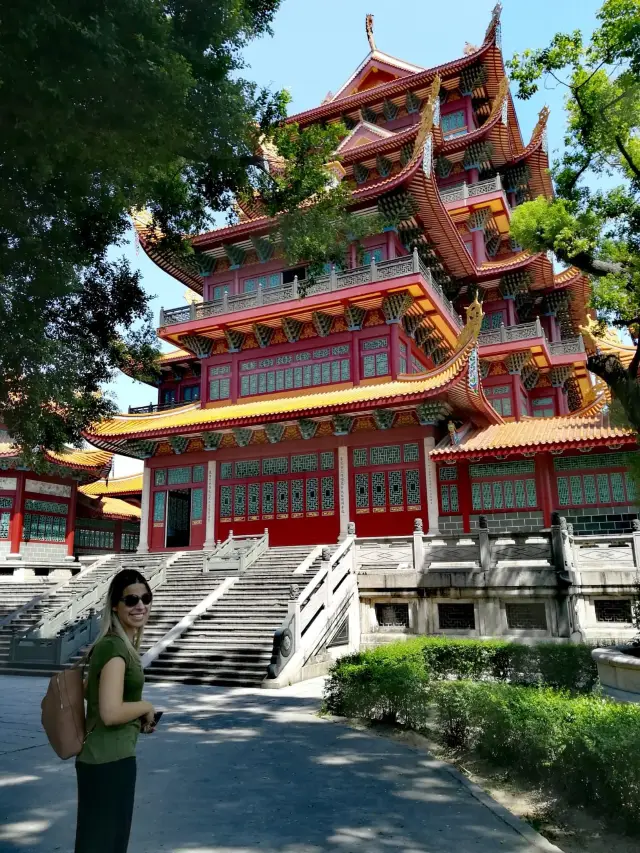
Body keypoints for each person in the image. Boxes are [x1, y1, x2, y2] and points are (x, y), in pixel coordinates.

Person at [74, 569, 157, 853]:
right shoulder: (114, 648)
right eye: (131, 600)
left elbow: (88, 691)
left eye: (146, 598)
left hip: (106, 757)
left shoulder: (113, 645)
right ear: (115, 605)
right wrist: (145, 707)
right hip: (109, 762)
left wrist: (134, 717)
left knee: (103, 840)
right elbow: (110, 713)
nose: (141, 606)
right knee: (104, 843)